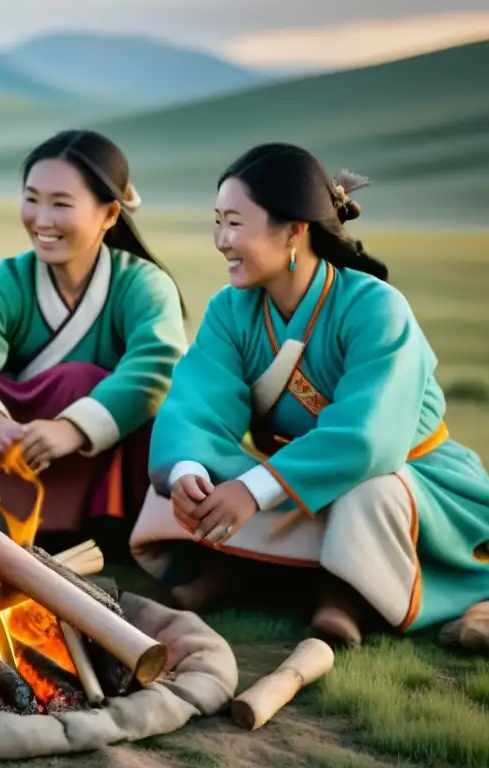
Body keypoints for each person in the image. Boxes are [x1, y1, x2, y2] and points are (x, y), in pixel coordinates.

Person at [133, 142, 489, 648]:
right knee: (184, 476)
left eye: (235, 223)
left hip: (410, 478)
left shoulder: (376, 308)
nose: (222, 240)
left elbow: (369, 440)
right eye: (217, 221)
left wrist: (256, 489)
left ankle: (341, 592)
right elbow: (195, 405)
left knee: (370, 491)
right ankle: (247, 572)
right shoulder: (230, 311)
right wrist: (191, 472)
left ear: (295, 230)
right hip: (292, 474)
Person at [0, 130, 188, 556]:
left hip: (99, 461)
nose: (42, 219)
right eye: (32, 198)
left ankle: (85, 532)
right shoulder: (7, 281)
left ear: (110, 213)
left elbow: (158, 366)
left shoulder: (143, 285)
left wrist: (72, 428)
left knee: (83, 381)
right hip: (12, 451)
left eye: (61, 203)